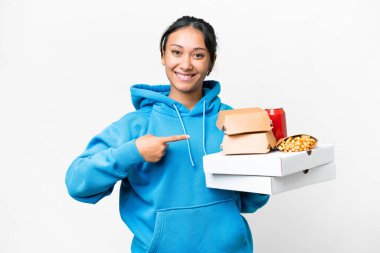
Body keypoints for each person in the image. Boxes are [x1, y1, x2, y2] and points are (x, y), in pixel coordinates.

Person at [65, 16, 270, 253]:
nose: (186, 64)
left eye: (198, 55)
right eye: (176, 52)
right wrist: (133, 152)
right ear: (163, 56)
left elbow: (253, 199)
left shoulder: (231, 119)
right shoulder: (137, 126)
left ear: (211, 62)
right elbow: (77, 182)